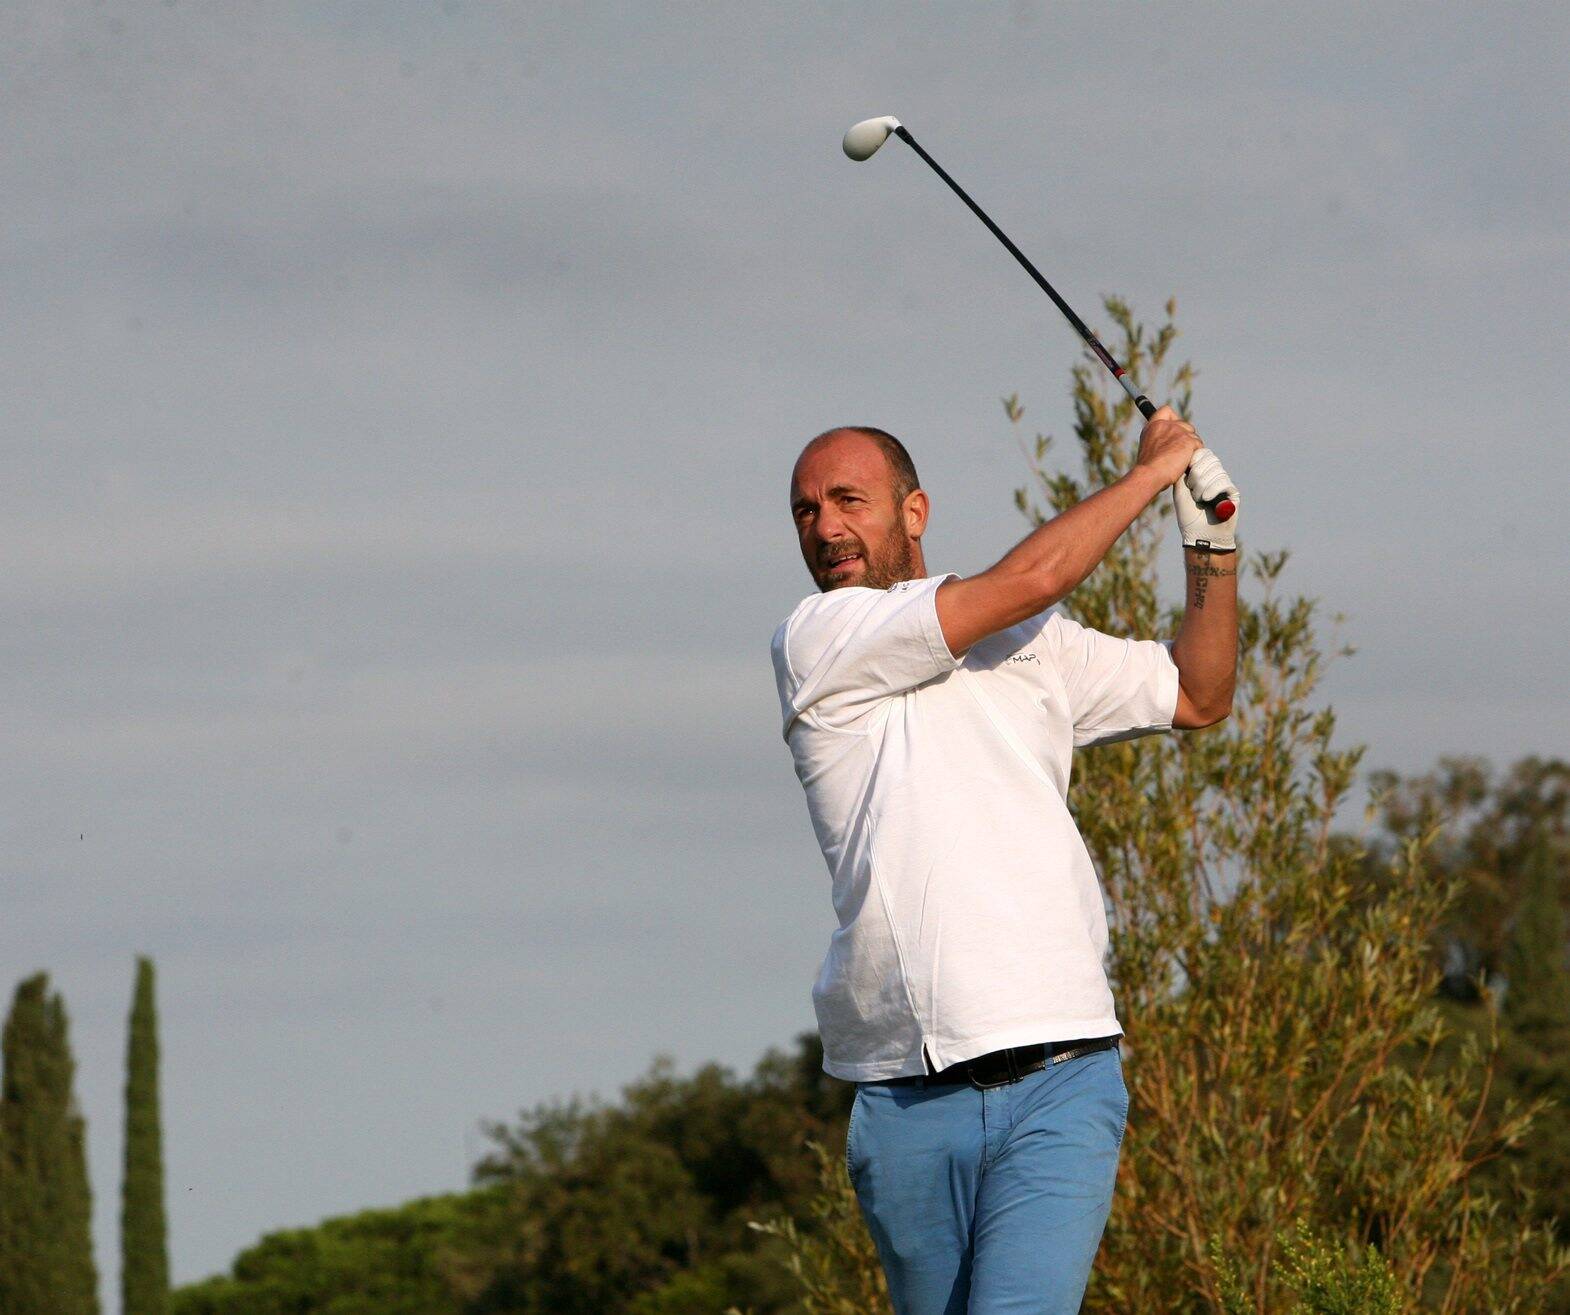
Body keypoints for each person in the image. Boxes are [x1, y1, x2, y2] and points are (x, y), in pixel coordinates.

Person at [768, 408, 1239, 1314]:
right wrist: (1151, 472)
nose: (824, 527)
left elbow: (1199, 692)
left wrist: (1210, 538)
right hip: (903, 1098)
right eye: (804, 511)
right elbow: (1036, 575)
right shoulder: (816, 641)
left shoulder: (1034, 643)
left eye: (847, 500)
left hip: (1061, 1078)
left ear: (914, 512)